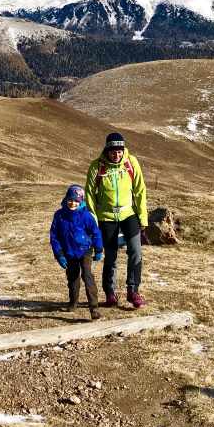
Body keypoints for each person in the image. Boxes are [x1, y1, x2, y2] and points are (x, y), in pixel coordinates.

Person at [84, 132, 148, 309]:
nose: (116, 154)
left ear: (123, 150)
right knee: (110, 256)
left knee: (135, 251)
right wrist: (93, 220)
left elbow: (140, 190)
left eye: (119, 151)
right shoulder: (96, 167)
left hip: (129, 214)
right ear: (107, 150)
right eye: (113, 151)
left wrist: (143, 218)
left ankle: (133, 291)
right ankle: (110, 293)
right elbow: (89, 195)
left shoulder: (131, 162)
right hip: (106, 217)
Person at [49, 184, 104, 320]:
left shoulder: (86, 216)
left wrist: (98, 249)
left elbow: (96, 233)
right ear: (66, 199)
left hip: (85, 250)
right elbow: (54, 236)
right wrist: (59, 254)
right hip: (69, 252)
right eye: (70, 200)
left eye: (76, 201)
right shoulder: (59, 215)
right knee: (73, 278)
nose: (73, 203)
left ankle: (94, 308)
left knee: (87, 275)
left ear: (81, 201)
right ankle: (73, 303)